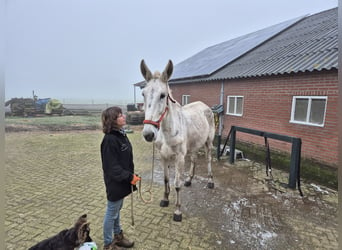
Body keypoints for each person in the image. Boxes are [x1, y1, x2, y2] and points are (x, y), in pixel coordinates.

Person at [100, 106, 141, 250]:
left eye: (122, 114)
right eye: (119, 116)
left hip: (122, 181)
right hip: (115, 182)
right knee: (112, 212)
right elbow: (112, 168)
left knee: (117, 210)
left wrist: (131, 175)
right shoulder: (110, 140)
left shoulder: (120, 135)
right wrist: (130, 177)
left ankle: (118, 236)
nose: (123, 117)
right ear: (113, 120)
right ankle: (108, 243)